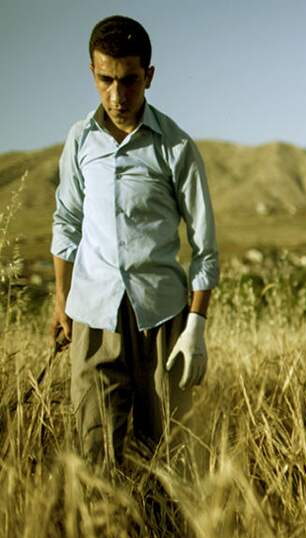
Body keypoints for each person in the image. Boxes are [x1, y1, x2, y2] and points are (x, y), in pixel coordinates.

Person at [50, 15, 219, 469]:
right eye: (105, 80)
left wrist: (196, 328)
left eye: (129, 81)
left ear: (149, 76)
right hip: (93, 315)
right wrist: (62, 298)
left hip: (161, 319)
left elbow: (204, 247)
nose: (117, 95)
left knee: (169, 457)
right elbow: (67, 220)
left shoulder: (176, 147)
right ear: (92, 72)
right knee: (95, 455)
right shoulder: (80, 140)